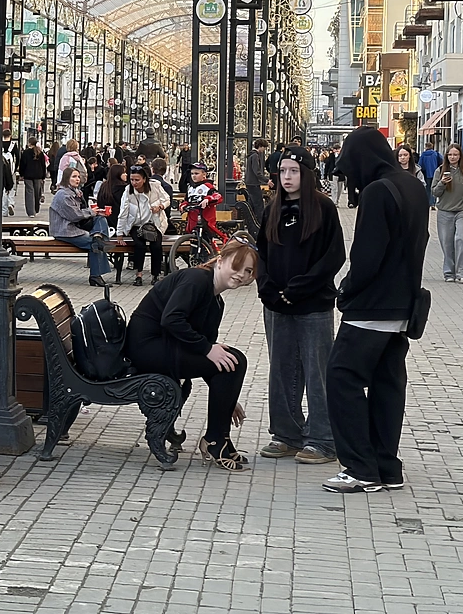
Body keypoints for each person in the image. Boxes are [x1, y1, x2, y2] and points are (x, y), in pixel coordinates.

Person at [324, 126, 429, 493]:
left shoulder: (377, 192)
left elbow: (367, 256)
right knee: (387, 383)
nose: (350, 175)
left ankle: (360, 467)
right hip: (404, 304)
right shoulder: (414, 186)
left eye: (350, 166)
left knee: (341, 377)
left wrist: (346, 290)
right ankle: (387, 466)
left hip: (372, 306)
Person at [125, 240, 258, 470]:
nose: (241, 275)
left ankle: (218, 440)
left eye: (247, 271)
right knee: (234, 360)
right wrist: (208, 349)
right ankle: (215, 441)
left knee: (231, 362)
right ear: (220, 259)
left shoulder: (216, 301)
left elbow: (209, 359)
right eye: (236, 266)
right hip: (147, 347)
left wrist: (226, 394)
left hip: (165, 345)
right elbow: (171, 319)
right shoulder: (197, 279)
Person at [255, 146, 346, 465]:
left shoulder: (323, 208)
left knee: (316, 370)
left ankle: (323, 438)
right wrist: (266, 288)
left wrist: (300, 288)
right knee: (281, 368)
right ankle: (287, 434)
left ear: (305, 173)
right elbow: (261, 254)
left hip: (313, 304)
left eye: (293, 171)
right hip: (276, 304)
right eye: (282, 171)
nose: (287, 177)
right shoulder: (272, 208)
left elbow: (334, 257)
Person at [49, 168, 115, 287]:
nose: (77, 179)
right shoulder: (63, 195)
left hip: (75, 227)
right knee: (94, 244)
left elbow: (79, 212)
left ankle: (98, 237)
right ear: (66, 178)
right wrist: (91, 211)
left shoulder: (73, 191)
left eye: (78, 177)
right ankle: (95, 276)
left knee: (101, 218)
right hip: (65, 230)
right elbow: (74, 215)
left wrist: (95, 212)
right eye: (74, 177)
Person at [115, 164, 169, 286]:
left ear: (144, 179)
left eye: (137, 180)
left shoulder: (155, 186)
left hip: (154, 223)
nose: (134, 183)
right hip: (136, 225)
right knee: (139, 246)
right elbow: (123, 213)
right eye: (132, 179)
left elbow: (167, 199)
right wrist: (120, 234)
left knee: (156, 246)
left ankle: (155, 275)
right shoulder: (128, 191)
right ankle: (138, 274)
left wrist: (160, 206)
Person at [431, 142, 463, 284]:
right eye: (450, 154)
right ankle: (449, 272)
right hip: (445, 211)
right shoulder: (440, 170)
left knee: (462, 239)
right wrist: (442, 183)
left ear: (460, 156)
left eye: (455, 154)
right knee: (447, 243)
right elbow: (435, 192)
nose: (452, 157)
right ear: (446, 156)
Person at [182, 162, 222, 243]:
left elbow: (218, 196)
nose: (193, 176)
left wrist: (208, 199)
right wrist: (183, 205)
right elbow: (186, 200)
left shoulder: (208, 186)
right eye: (192, 173)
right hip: (192, 221)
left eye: (196, 173)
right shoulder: (190, 187)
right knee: (193, 244)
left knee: (206, 242)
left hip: (205, 220)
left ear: (204, 174)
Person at [19, 135, 49, 217]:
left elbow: (22, 164)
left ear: (29, 143)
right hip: (38, 175)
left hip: (28, 175)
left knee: (29, 192)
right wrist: (43, 176)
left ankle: (31, 212)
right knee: (37, 192)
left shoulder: (25, 153)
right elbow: (43, 165)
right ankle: (36, 208)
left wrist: (21, 174)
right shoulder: (40, 153)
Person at [245, 139, 269, 224]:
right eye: (264, 148)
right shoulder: (255, 156)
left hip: (249, 182)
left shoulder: (250, 155)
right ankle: (260, 223)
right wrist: (266, 180)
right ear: (260, 146)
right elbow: (257, 171)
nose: (264, 150)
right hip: (254, 183)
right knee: (258, 204)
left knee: (251, 204)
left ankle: (251, 222)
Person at [418, 140, 442, 209]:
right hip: (435, 173)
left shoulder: (423, 155)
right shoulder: (436, 154)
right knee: (434, 188)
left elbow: (420, 165)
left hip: (426, 174)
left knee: (427, 189)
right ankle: (433, 203)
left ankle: (427, 203)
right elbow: (441, 162)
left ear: (425, 147)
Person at [2, 129, 20, 216]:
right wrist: (15, 168)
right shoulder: (13, 145)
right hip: (11, 169)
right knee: (12, 186)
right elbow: (18, 157)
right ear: (10, 135)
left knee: (3, 189)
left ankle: (4, 210)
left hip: (1, 168)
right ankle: (11, 203)